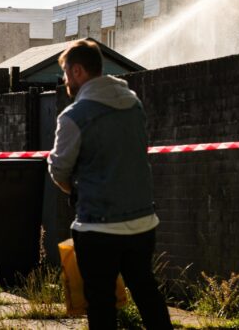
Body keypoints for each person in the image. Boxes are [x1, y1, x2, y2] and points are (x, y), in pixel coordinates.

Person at [48, 39, 172, 330]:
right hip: (143, 222)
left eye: (66, 74)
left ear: (78, 71)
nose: (65, 81)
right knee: (147, 293)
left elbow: (59, 169)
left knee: (101, 304)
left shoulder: (73, 117)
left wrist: (76, 193)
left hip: (98, 228)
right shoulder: (134, 104)